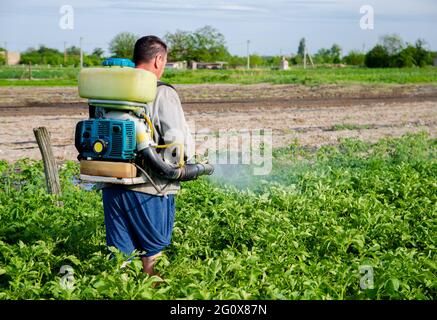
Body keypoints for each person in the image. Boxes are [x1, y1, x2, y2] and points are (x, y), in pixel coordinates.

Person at [101, 36, 194, 275]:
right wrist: (184, 166)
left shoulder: (110, 88)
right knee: (152, 258)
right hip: (150, 188)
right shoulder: (161, 91)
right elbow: (176, 145)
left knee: (121, 260)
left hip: (113, 185)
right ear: (158, 59)